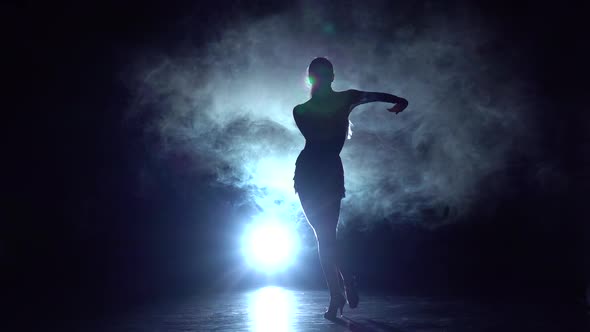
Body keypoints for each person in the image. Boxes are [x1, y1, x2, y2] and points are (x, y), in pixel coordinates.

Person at [293, 57, 409, 319]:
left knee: (325, 237)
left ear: (330, 77)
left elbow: (375, 96)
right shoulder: (302, 110)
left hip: (323, 173)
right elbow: (322, 137)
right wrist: (398, 100)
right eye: (319, 75)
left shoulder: (334, 102)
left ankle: (339, 293)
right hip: (313, 173)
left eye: (324, 74)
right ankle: (341, 288)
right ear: (318, 78)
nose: (322, 79)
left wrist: (399, 100)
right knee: (324, 236)